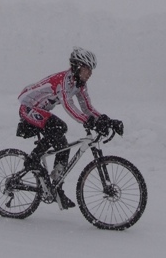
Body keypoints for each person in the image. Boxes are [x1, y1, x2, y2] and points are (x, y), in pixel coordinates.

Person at [16, 46, 123, 210]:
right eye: (87, 68)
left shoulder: (80, 84)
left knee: (63, 146)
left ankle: (56, 186)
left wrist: (106, 120)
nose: (90, 73)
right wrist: (88, 121)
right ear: (78, 66)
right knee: (59, 127)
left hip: (42, 111)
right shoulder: (64, 80)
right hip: (28, 107)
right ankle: (32, 160)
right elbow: (68, 105)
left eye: (91, 70)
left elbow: (87, 108)